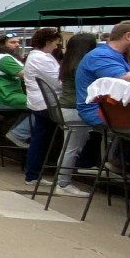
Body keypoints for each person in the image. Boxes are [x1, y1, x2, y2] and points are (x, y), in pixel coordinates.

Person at [53, 33, 99, 195]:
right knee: (72, 149)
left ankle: (62, 181)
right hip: (77, 109)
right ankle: (63, 184)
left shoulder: (67, 63)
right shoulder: (84, 65)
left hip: (65, 107)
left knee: (69, 147)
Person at [19, 27, 63, 184]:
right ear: (48, 41)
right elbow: (58, 83)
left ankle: (33, 174)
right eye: (56, 43)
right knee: (41, 139)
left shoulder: (37, 57)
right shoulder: (41, 59)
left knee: (40, 138)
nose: (57, 46)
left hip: (40, 102)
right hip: (45, 103)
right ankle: (33, 174)